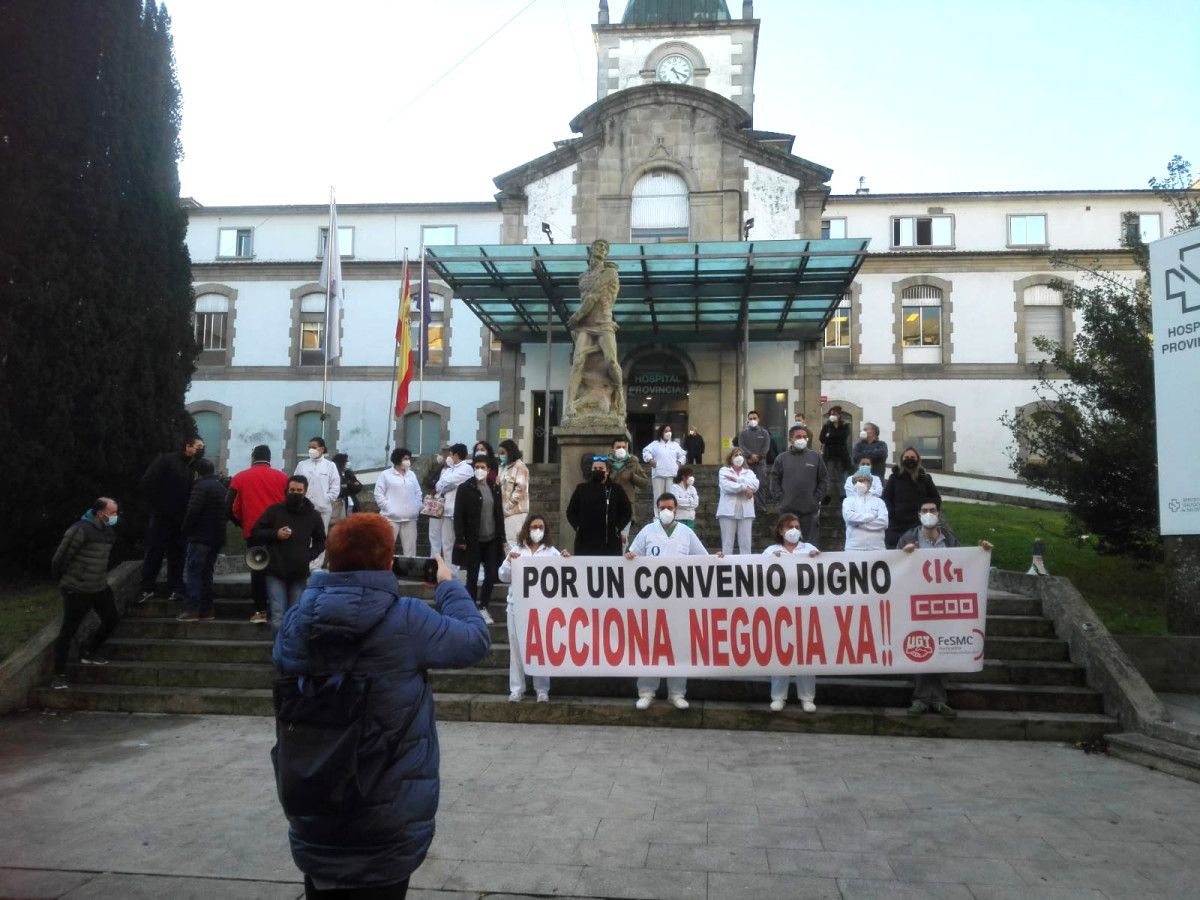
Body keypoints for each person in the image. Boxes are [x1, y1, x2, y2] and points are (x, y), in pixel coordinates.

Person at [273, 514, 490, 899]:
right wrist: (448, 588)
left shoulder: (295, 621)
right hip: (387, 816)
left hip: (312, 799)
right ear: (388, 561)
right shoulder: (405, 618)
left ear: (331, 558)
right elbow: (474, 640)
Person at [900, 501, 993, 719]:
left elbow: (964, 563)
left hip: (944, 602)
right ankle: (921, 699)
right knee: (921, 647)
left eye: (932, 511)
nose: (929, 514)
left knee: (944, 647)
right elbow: (896, 564)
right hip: (917, 602)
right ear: (918, 514)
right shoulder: (908, 538)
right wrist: (904, 553)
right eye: (924, 511)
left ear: (939, 514)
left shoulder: (949, 540)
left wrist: (981, 552)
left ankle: (940, 699)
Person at [625, 493, 710, 711]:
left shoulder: (686, 533)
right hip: (651, 599)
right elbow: (632, 554)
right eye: (662, 507)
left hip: (678, 599)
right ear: (657, 508)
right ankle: (646, 691)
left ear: (676, 509)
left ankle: (677, 692)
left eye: (670, 507)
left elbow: (703, 558)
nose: (666, 511)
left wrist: (718, 559)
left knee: (679, 646)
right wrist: (631, 557)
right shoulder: (647, 531)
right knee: (649, 644)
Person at [49, 498, 121, 689]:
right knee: (68, 631)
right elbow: (60, 558)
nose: (115, 516)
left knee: (111, 618)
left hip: (98, 586)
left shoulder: (108, 532)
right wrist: (66, 582)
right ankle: (59, 674)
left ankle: (90, 652)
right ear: (100, 513)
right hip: (77, 588)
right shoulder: (80, 529)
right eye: (112, 513)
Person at [498, 514, 567, 703]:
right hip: (516, 606)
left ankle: (542, 689)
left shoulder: (551, 552)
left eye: (541, 527)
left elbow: (563, 574)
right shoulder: (517, 550)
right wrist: (509, 561)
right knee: (517, 648)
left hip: (541, 608)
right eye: (534, 526)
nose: (537, 530)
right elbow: (503, 576)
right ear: (527, 529)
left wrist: (566, 560)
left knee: (541, 646)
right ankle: (517, 689)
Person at [252, 476, 326, 634]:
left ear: (305, 492)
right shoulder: (274, 511)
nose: (295, 493)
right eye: (292, 490)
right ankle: (278, 650)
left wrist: (308, 555)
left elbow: (321, 541)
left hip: (299, 572)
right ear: (286, 491)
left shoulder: (313, 516)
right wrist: (275, 534)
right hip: (275, 570)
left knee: (295, 616)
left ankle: (290, 652)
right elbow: (256, 532)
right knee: (278, 615)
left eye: (299, 491)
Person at [762, 513, 821, 712]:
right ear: (780, 530)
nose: (794, 530)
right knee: (782, 652)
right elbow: (758, 573)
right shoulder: (771, 550)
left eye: (796, 526)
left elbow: (824, 572)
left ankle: (807, 697)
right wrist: (770, 561)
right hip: (780, 610)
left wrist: (817, 559)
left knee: (807, 653)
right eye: (789, 527)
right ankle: (778, 696)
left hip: (806, 609)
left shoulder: (810, 549)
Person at [138, 436, 204, 603]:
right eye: (198, 446)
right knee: (155, 551)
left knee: (178, 554)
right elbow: (148, 482)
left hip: (181, 519)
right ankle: (147, 587)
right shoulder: (166, 460)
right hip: (162, 516)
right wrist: (158, 506)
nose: (201, 450)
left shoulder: (192, 467)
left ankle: (175, 588)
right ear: (187, 446)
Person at [228, 444, 289, 624]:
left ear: (253, 457)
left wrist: (241, 523)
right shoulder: (283, 477)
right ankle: (279, 610)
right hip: (278, 532)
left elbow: (229, 506)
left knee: (258, 570)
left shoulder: (240, 477)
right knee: (279, 570)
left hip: (253, 533)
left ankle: (260, 611)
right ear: (270, 459)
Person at [453, 455, 504, 624]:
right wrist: (460, 537)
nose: (479, 470)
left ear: (488, 470)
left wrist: (501, 536)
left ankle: (483, 606)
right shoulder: (465, 488)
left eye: (483, 467)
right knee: (472, 576)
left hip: (491, 539)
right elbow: (458, 515)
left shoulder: (494, 488)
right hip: (473, 539)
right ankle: (471, 608)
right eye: (477, 466)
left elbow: (499, 514)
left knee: (491, 575)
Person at [179, 458, 227, 622]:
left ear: (198, 472)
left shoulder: (200, 486)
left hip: (200, 536)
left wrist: (185, 529)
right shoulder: (221, 487)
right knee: (207, 573)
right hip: (216, 537)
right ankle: (207, 610)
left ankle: (192, 609)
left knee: (193, 572)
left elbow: (193, 510)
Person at [769, 424, 829, 547]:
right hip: (787, 510)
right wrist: (781, 499)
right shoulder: (781, 458)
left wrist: (816, 498)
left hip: (809, 511)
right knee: (787, 545)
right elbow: (774, 480)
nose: (802, 439)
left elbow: (824, 479)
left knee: (810, 546)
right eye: (799, 436)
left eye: (805, 436)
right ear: (791, 440)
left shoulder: (815, 457)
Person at [566, 457, 631, 556]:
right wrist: (578, 527)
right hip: (585, 544)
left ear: (607, 471)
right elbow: (571, 511)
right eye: (595, 469)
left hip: (610, 543)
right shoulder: (581, 489)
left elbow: (627, 511)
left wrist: (618, 528)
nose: (597, 471)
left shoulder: (616, 489)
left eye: (601, 469)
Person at [883, 447, 941, 549]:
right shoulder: (894, 478)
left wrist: (930, 514)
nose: (910, 459)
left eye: (913, 457)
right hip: (898, 525)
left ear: (918, 460)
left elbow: (936, 498)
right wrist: (892, 514)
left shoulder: (925, 478)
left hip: (919, 524)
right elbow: (886, 498)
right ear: (902, 459)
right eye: (907, 457)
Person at [294, 436, 340, 554]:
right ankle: (304, 564)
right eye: (309, 447)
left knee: (320, 537)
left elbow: (335, 487)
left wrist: (326, 499)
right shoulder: (302, 465)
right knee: (304, 536)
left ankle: (316, 566)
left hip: (323, 509)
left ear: (322, 449)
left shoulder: (330, 466)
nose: (311, 450)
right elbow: (295, 482)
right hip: (304, 508)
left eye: (314, 447)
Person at [375, 448, 423, 557]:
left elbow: (418, 492)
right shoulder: (385, 475)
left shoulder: (411, 475)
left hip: (410, 518)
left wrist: (417, 507)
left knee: (410, 550)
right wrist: (389, 508)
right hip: (390, 518)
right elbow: (378, 494)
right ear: (398, 459)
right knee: (386, 548)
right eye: (405, 458)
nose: (408, 461)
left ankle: (410, 571)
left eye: (408, 459)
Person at [434, 444, 474, 568]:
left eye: (451, 454)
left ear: (456, 455)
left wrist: (444, 483)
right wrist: (444, 483)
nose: (449, 457)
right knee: (446, 543)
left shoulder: (467, 468)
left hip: (458, 512)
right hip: (445, 511)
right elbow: (438, 485)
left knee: (458, 543)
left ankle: (455, 571)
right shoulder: (449, 469)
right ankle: (447, 570)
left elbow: (451, 481)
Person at [716, 448, 759, 555]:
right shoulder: (724, 471)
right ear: (731, 458)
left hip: (746, 512)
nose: (739, 457)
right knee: (727, 544)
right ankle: (726, 567)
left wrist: (737, 480)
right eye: (736, 455)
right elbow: (727, 487)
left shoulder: (749, 472)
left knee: (746, 544)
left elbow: (756, 485)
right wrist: (745, 488)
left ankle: (745, 568)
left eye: (741, 454)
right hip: (727, 512)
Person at [608, 436, 649, 546]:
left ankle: (621, 560)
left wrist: (632, 476)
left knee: (623, 538)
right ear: (613, 449)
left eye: (623, 447)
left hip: (626, 505)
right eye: (618, 447)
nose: (621, 449)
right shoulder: (607, 464)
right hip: (609, 504)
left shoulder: (633, 463)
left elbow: (645, 483)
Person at [734, 411, 776, 515]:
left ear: (758, 419)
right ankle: (748, 508)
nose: (753, 420)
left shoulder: (764, 433)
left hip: (760, 464)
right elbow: (741, 446)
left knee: (760, 485)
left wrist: (758, 456)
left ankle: (761, 507)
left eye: (755, 418)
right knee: (747, 485)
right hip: (747, 463)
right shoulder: (743, 434)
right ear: (748, 420)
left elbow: (766, 447)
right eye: (751, 418)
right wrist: (750, 455)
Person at [420, 443, 452, 560]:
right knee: (434, 534)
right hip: (436, 503)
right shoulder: (437, 467)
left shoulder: (457, 470)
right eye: (444, 451)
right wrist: (436, 465)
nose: (445, 454)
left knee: (447, 538)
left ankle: (448, 564)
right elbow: (427, 481)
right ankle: (434, 561)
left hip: (449, 506)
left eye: (448, 451)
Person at [642, 424, 686, 510]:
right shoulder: (655, 444)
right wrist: (650, 460)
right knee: (658, 497)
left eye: (669, 431)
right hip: (658, 474)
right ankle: (657, 517)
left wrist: (679, 462)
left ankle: (670, 514)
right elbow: (645, 452)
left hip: (671, 474)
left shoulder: (675, 445)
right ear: (661, 432)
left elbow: (683, 455)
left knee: (670, 497)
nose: (668, 433)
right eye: (666, 431)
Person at [842, 472, 889, 551]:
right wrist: (869, 517)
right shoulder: (848, 501)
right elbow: (849, 518)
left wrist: (858, 524)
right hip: (853, 548)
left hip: (877, 548)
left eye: (863, 480)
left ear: (870, 483)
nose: (859, 483)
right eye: (856, 481)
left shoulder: (879, 502)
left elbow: (884, 523)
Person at [497, 439, 529, 550]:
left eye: (503, 453)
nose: (500, 456)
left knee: (514, 541)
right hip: (505, 512)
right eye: (499, 453)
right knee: (507, 542)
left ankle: (516, 566)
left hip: (516, 511)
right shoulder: (503, 467)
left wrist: (508, 505)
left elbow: (520, 488)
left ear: (510, 452)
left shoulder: (520, 467)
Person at [819, 406, 852, 502]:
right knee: (829, 475)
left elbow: (842, 437)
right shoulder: (827, 426)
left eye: (835, 414)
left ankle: (842, 495)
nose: (833, 416)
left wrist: (830, 436)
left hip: (841, 455)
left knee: (841, 475)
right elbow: (822, 439)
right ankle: (828, 495)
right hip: (829, 455)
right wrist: (830, 437)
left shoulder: (844, 425)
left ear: (839, 415)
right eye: (831, 414)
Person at [330, 453, 363, 523]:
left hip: (353, 508)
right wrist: (351, 485)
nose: (348, 463)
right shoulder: (334, 474)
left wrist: (347, 485)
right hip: (339, 507)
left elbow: (359, 487)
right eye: (346, 461)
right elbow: (340, 491)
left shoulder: (349, 473)